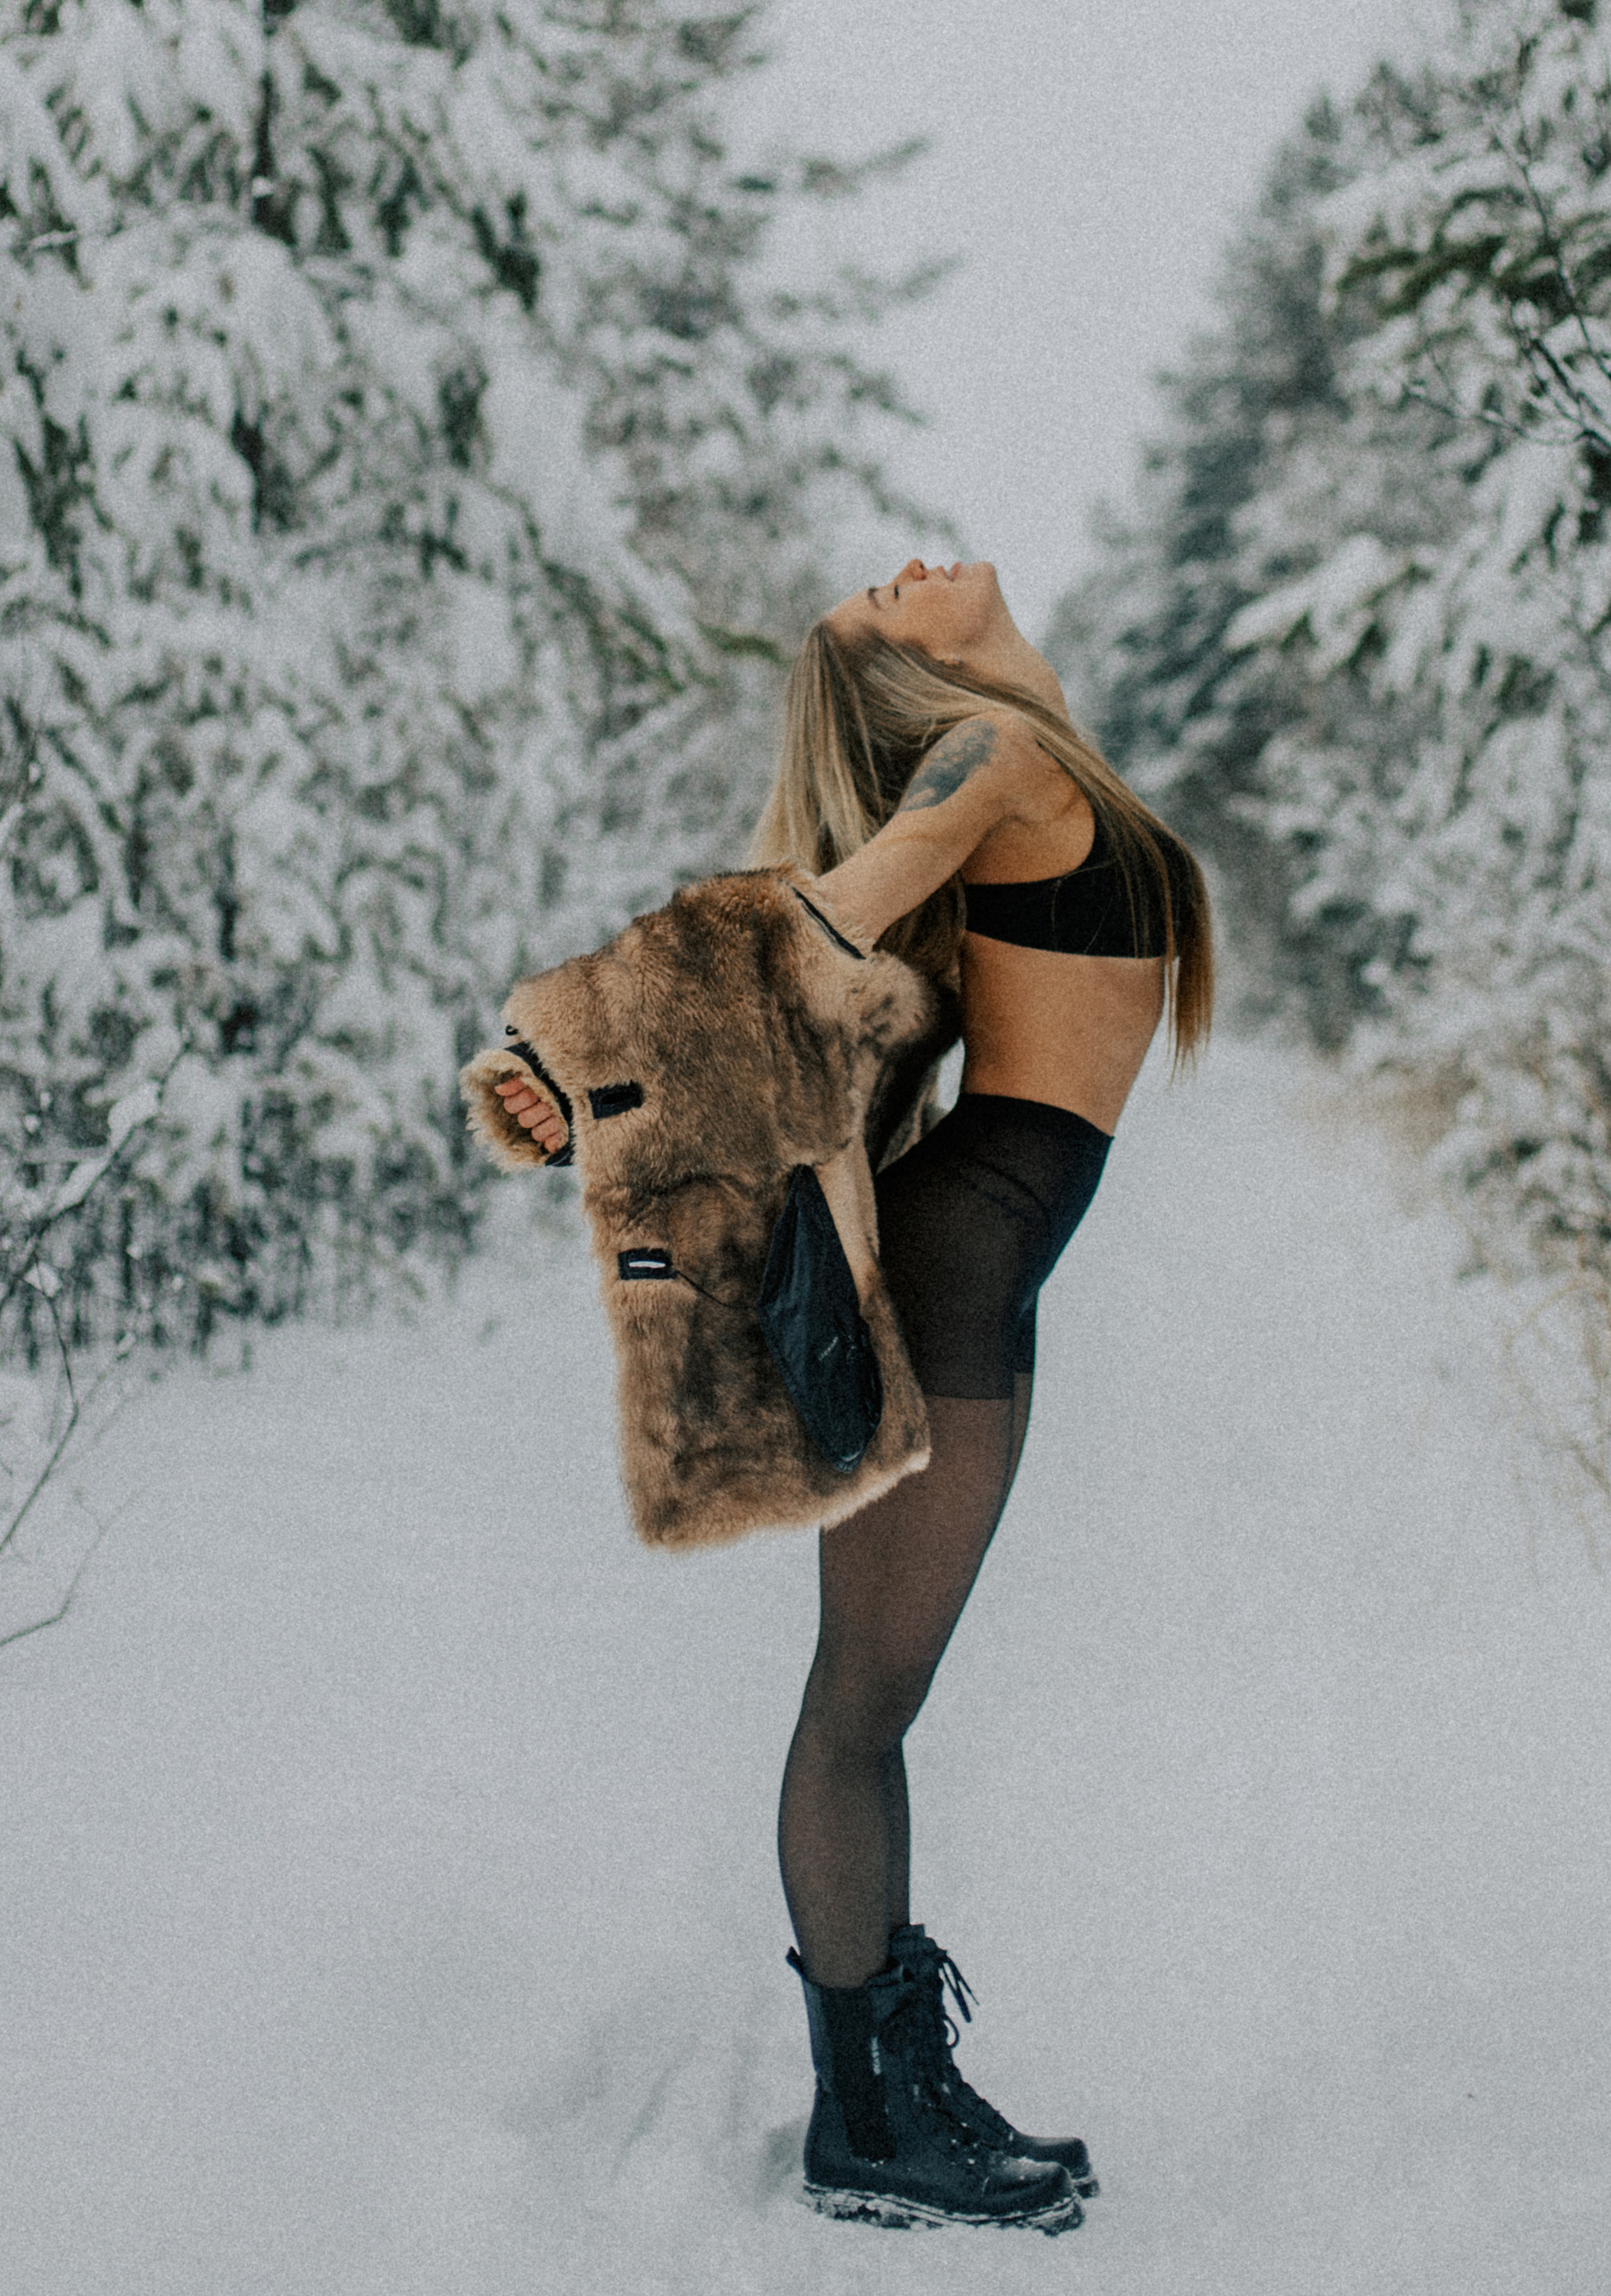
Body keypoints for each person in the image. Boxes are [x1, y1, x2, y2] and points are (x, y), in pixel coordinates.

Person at [496, 555, 1211, 2234]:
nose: (901, 570)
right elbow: (820, 914)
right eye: (880, 603)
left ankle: (883, 2094)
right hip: (961, 1281)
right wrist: (587, 1057)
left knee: (867, 1703)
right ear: (904, 682)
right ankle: (870, 2116)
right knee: (857, 1707)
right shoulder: (994, 759)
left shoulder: (1039, 765)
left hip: (983, 1273)